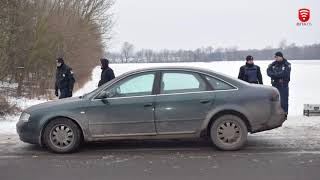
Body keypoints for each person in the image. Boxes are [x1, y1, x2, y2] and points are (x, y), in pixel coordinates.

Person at [267, 51, 291, 116]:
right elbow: (268, 72)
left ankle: (284, 114)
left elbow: (284, 73)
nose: (276, 58)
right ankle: (275, 114)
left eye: (277, 57)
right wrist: (275, 75)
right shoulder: (273, 64)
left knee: (284, 100)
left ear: (281, 57)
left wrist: (275, 75)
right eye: (275, 57)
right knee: (275, 101)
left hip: (283, 85)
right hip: (274, 85)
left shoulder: (287, 64)